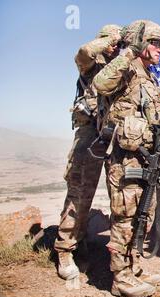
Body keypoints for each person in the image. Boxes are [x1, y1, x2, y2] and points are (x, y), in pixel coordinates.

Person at [93, 20, 160, 297]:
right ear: (140, 43)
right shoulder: (125, 67)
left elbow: (157, 117)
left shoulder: (149, 77)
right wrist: (128, 53)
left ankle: (133, 267)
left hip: (145, 158)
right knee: (126, 215)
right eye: (155, 43)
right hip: (124, 159)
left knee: (144, 213)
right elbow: (100, 83)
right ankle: (120, 277)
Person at [55, 24, 122, 280]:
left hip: (117, 135)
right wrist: (109, 40)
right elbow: (83, 52)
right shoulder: (90, 63)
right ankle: (66, 249)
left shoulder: (121, 65)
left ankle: (119, 256)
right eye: (110, 42)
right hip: (90, 135)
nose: (115, 46)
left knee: (121, 195)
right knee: (80, 194)